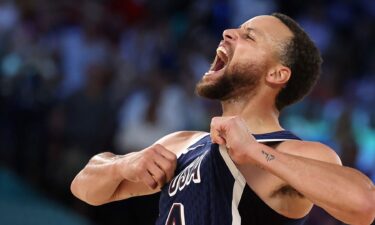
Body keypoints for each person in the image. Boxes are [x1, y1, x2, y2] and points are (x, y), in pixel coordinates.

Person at [71, 13, 375, 225]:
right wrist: (126, 164)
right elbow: (84, 188)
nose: (229, 33)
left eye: (249, 37)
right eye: (236, 30)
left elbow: (364, 204)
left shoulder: (288, 151)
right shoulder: (182, 143)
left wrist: (256, 152)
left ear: (277, 74)